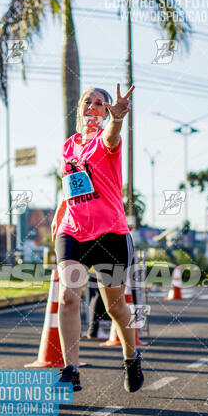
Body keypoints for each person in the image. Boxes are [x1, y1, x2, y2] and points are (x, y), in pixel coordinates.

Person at [51, 83, 144, 392]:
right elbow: (72, 184)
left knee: (115, 307)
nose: (93, 106)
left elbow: (112, 136)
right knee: (68, 295)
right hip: (73, 230)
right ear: (80, 109)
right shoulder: (68, 146)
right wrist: (59, 212)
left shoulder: (106, 143)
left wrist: (117, 119)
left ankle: (131, 355)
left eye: (100, 103)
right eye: (88, 101)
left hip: (110, 235)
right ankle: (71, 368)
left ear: (105, 111)